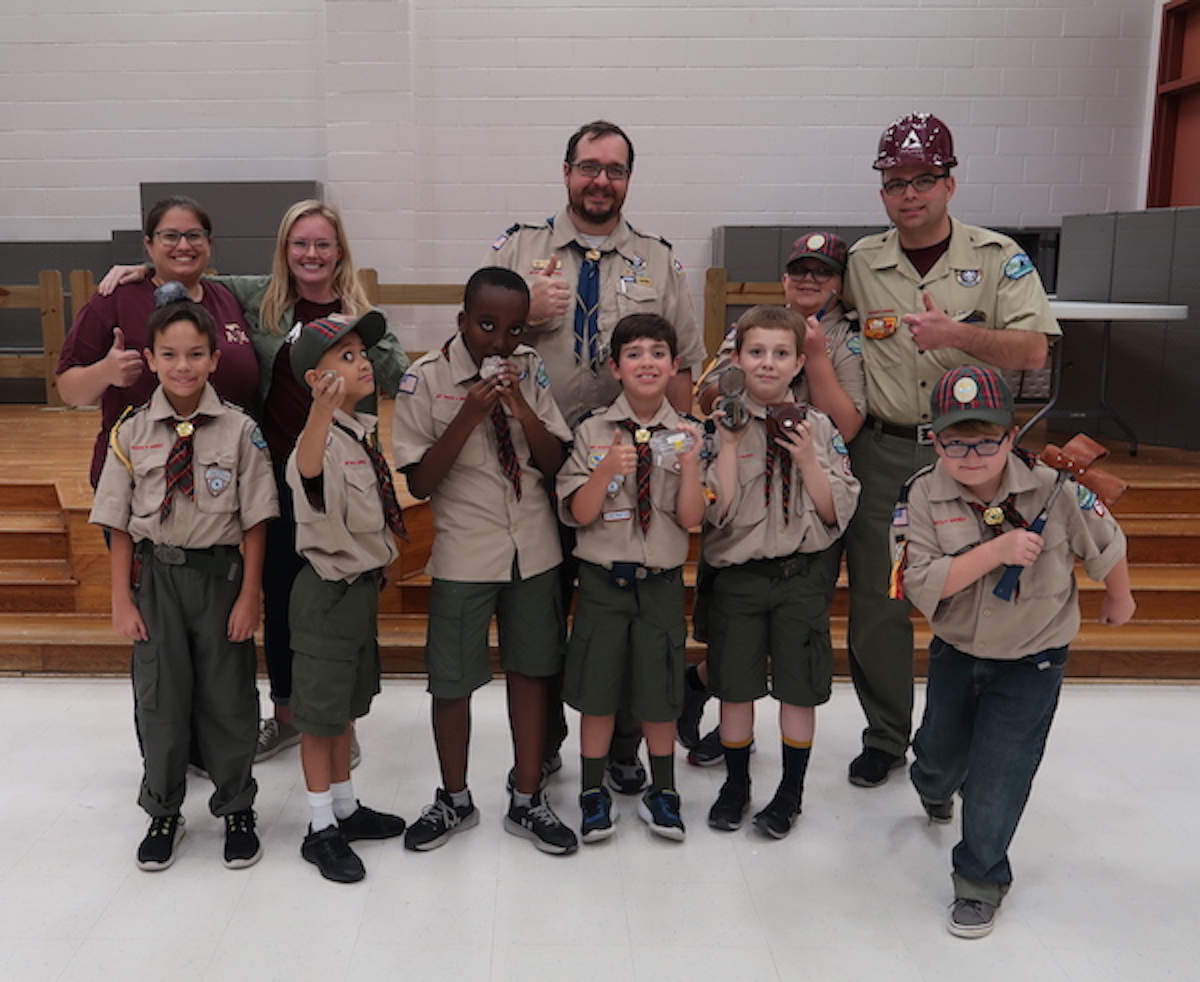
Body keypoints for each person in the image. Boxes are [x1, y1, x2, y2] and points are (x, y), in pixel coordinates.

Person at [97, 200, 409, 766]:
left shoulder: (360, 315)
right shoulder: (259, 298)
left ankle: (340, 715)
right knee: (286, 600)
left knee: (346, 600)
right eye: (300, 244)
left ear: (340, 252)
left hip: (342, 484)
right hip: (278, 480)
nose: (311, 255)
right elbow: (189, 272)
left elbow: (398, 378)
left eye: (323, 244)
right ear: (284, 251)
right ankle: (290, 715)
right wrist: (139, 270)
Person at [840, 113, 1061, 788]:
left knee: (975, 594)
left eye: (925, 180)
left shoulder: (997, 259)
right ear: (882, 190)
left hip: (976, 460)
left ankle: (954, 739)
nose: (910, 194)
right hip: (886, 449)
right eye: (895, 182)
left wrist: (955, 336)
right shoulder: (861, 262)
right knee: (881, 598)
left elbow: (1033, 349)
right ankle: (886, 735)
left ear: (950, 183)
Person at [490, 119, 707, 796]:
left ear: (628, 180)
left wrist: (678, 453)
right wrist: (524, 309)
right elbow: (479, 346)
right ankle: (550, 741)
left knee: (631, 605)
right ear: (565, 172)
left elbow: (682, 369)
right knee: (542, 607)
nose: (600, 180)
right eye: (589, 166)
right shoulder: (520, 249)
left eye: (614, 170)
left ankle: (622, 746)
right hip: (535, 461)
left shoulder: (659, 258)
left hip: (632, 462)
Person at [894, 365, 1134, 938]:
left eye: (986, 439)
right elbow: (919, 581)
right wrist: (997, 550)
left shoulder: (1057, 488)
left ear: (1010, 435)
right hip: (958, 653)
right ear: (935, 439)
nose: (971, 454)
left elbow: (1108, 541)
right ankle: (933, 785)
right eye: (956, 441)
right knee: (939, 761)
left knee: (1000, 776)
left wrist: (1119, 598)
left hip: (1034, 657)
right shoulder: (921, 495)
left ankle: (980, 881)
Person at [392, 267, 577, 855]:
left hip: (534, 550)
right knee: (452, 680)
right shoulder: (424, 381)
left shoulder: (532, 371)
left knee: (533, 671)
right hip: (464, 555)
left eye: (514, 329)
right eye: (487, 325)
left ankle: (527, 797)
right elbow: (420, 482)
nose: (500, 341)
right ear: (462, 320)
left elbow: (553, 463)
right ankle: (454, 798)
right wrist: (470, 414)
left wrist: (521, 406)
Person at [89, 299, 278, 871]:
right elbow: (119, 523)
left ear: (215, 359)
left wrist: (250, 594)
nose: (183, 365)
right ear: (150, 359)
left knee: (229, 699)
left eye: (196, 354)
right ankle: (163, 809)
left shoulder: (242, 431)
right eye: (169, 354)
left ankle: (236, 807)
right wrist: (122, 600)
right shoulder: (132, 431)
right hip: (157, 582)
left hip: (220, 580)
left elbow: (256, 520)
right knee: (160, 699)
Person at [685, 231, 866, 762]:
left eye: (823, 272)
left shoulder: (845, 339)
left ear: (838, 283)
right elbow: (712, 388)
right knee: (733, 651)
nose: (810, 280)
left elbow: (847, 422)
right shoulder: (753, 324)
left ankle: (785, 781)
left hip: (802, 504)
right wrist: (739, 410)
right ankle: (720, 718)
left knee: (793, 656)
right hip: (744, 494)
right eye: (800, 270)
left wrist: (813, 360)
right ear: (785, 277)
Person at [700, 306, 860, 838]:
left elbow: (836, 512)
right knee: (735, 687)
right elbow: (714, 512)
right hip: (740, 579)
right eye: (756, 352)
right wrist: (725, 447)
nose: (767, 364)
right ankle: (737, 783)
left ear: (798, 364)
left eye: (780, 354)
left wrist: (810, 460)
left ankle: (790, 791)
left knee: (798, 688)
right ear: (738, 358)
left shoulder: (819, 426)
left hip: (799, 577)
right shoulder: (719, 423)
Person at [556, 314, 706, 843]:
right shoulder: (592, 430)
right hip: (602, 584)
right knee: (598, 693)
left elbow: (692, 519)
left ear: (673, 365)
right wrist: (604, 471)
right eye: (635, 354)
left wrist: (689, 464)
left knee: (661, 692)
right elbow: (577, 511)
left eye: (658, 353)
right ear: (616, 368)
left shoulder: (692, 433)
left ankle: (662, 790)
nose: (647, 362)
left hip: (660, 584)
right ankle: (593, 792)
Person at [287, 310, 408, 883]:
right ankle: (319, 828)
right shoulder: (319, 440)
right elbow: (308, 470)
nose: (363, 363)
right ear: (316, 378)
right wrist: (318, 412)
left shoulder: (359, 432)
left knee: (341, 715)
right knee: (318, 719)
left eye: (363, 353)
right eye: (347, 355)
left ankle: (344, 806)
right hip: (327, 596)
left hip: (359, 595)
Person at [57, 196, 259, 489]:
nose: (183, 245)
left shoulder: (228, 298)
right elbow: (69, 391)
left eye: (194, 235)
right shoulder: (115, 300)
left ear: (209, 244)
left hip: (222, 479)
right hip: (138, 479)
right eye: (170, 236)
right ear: (149, 245)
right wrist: (105, 372)